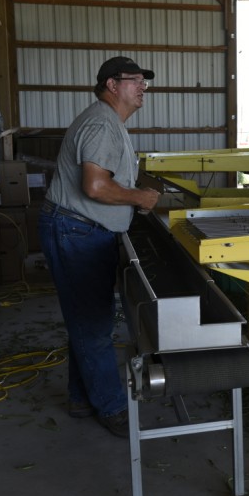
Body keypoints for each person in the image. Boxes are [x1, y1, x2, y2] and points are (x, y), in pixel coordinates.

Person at [38, 56, 161, 438]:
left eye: (145, 82)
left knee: (85, 317)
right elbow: (95, 187)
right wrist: (140, 198)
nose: (142, 88)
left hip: (83, 229)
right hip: (77, 230)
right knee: (94, 324)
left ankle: (80, 397)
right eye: (135, 81)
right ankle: (111, 407)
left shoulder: (110, 122)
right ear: (112, 85)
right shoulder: (102, 123)